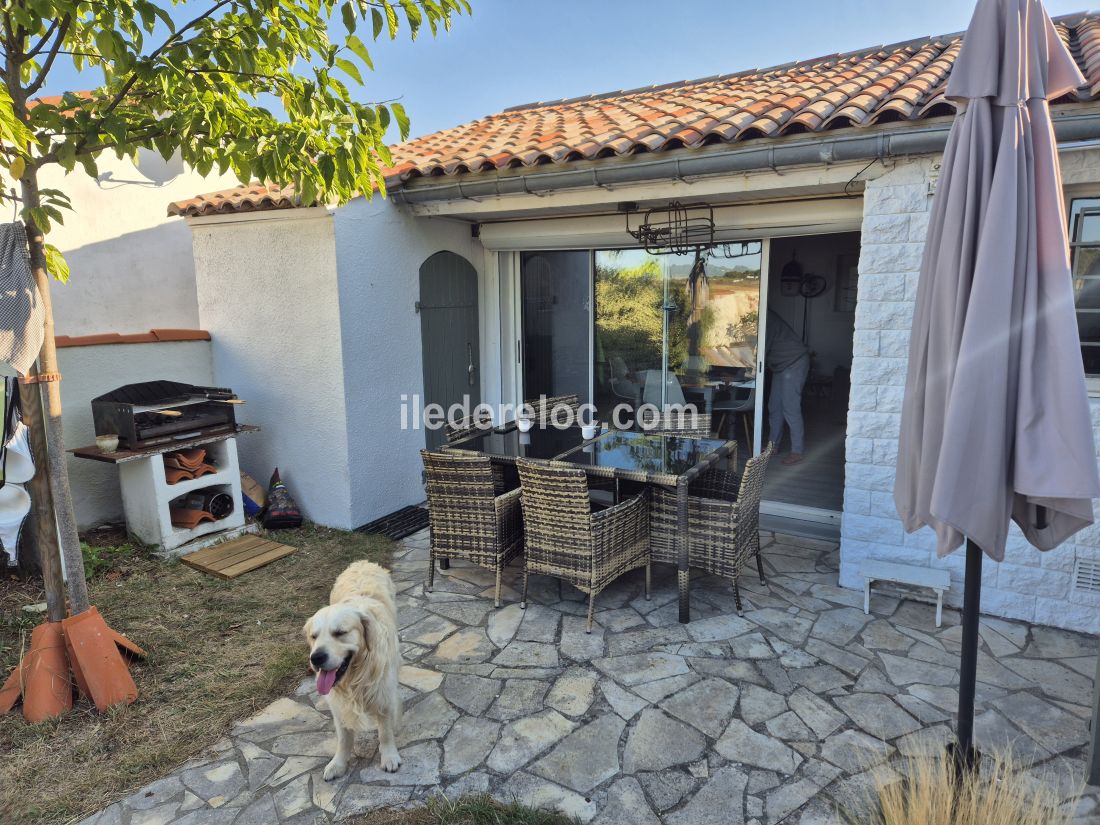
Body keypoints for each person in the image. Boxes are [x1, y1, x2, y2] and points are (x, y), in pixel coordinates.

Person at [765, 309, 810, 465]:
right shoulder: (758, 316)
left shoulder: (766, 318)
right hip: (781, 364)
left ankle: (797, 451)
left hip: (794, 362)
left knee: (790, 407)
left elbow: (760, 350)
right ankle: (773, 446)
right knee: (774, 406)